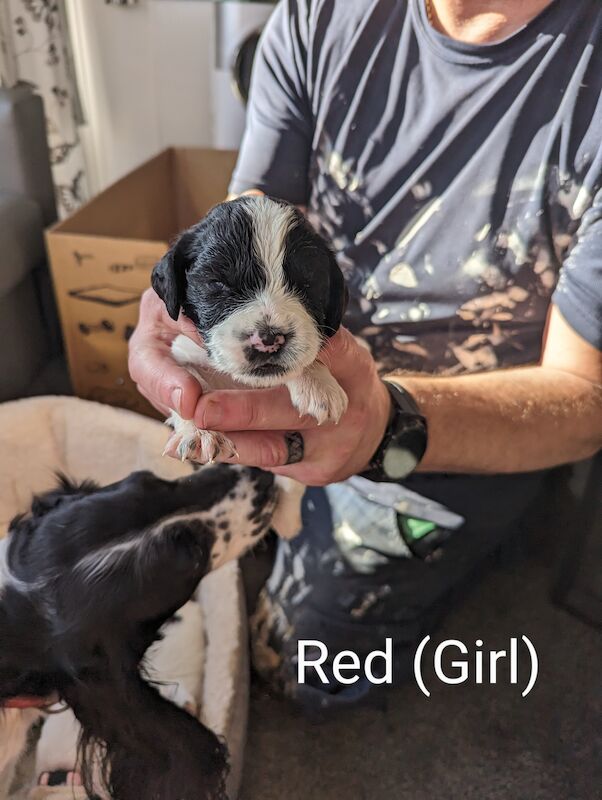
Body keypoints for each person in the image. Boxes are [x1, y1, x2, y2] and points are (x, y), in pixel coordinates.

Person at [129, 0, 602, 707]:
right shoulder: (319, 14)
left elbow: (587, 401)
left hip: (448, 434)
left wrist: (385, 424)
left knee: (299, 670)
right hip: (307, 367)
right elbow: (254, 216)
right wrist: (177, 308)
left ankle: (487, 549)